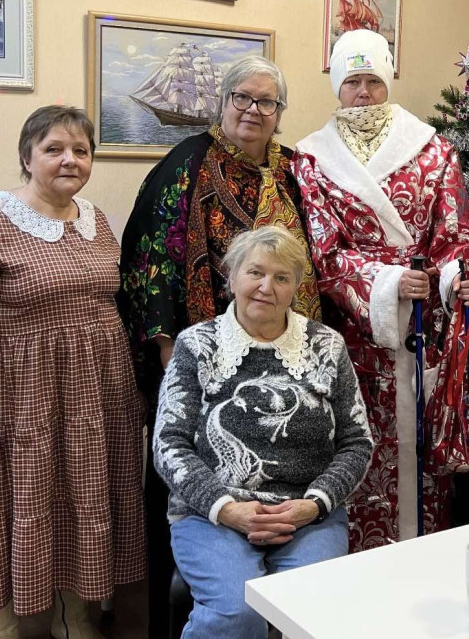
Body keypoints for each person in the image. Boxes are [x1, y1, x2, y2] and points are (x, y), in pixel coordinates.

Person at [0, 107, 145, 639]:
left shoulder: (95, 220)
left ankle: (74, 618)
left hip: (95, 400)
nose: (70, 160)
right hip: (22, 401)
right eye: (54, 149)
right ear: (27, 157)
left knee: (80, 501)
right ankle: (3, 628)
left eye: (81, 150)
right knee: (9, 506)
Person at [119, 56, 321, 638]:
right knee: (190, 470)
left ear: (280, 112)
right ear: (223, 101)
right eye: (242, 97)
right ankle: (206, 605)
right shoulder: (186, 164)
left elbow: (318, 253)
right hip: (200, 357)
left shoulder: (294, 172)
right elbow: (149, 260)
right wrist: (168, 350)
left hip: (284, 354)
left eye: (267, 102)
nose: (253, 110)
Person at [292, 29, 469, 548]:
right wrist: (389, 282)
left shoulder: (433, 150)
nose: (363, 92)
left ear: (387, 81)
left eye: (372, 80)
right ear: (337, 86)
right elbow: (324, 250)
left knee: (419, 457)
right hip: (355, 332)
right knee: (356, 448)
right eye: (352, 82)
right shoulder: (311, 157)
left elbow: (453, 234)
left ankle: (423, 557)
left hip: (422, 329)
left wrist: (458, 279)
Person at [153, 226, 372, 639]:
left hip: (307, 516)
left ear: (296, 288)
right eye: (255, 272)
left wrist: (314, 504)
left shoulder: (327, 346)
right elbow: (169, 444)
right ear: (232, 277)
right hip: (212, 514)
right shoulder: (196, 345)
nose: (266, 287)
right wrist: (225, 508)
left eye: (281, 277)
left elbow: (356, 443)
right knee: (237, 614)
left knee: (318, 614)